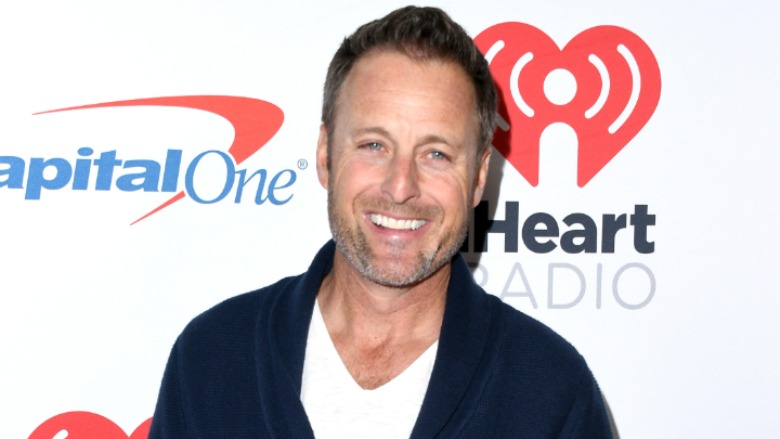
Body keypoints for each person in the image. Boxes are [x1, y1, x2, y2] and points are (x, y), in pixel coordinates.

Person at [148, 6, 614, 438]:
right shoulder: (211, 358)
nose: (400, 186)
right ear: (325, 155)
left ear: (477, 177)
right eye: (374, 145)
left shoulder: (551, 390)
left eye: (436, 153)